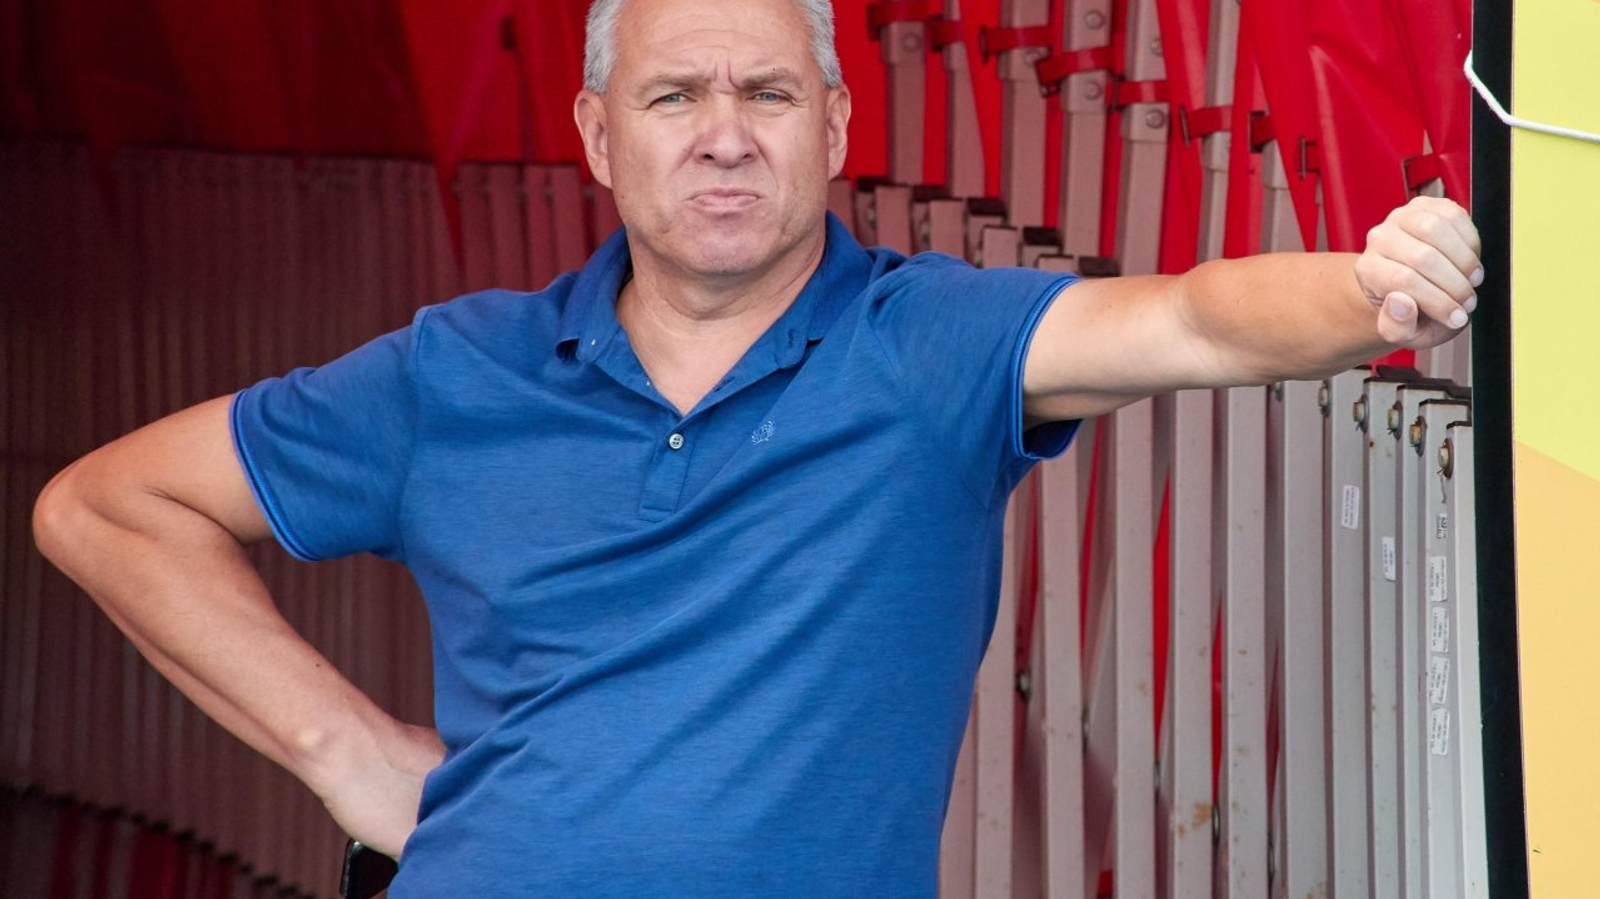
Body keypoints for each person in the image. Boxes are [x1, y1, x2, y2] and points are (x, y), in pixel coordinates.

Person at [31, 0, 1481, 895]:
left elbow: (1197, 320)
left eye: (768, 93)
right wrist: (344, 752)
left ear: (834, 123)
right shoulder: (455, 373)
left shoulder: (928, 343)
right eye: (675, 96)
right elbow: (106, 506)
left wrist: (1372, 287)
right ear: (596, 132)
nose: (724, 134)